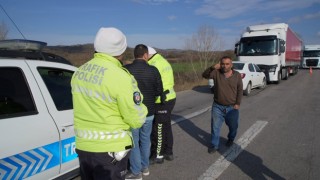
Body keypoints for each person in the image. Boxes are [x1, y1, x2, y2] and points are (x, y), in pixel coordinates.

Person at [71, 27, 148, 180]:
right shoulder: (121, 77)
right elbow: (136, 119)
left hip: (84, 147)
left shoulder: (79, 72)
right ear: (122, 50)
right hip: (111, 152)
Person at [124, 44, 163, 180]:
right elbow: (159, 91)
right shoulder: (153, 70)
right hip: (149, 112)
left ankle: (136, 172)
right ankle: (144, 167)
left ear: (135, 55)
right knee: (145, 140)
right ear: (146, 55)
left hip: (132, 113)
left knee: (134, 142)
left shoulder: (126, 69)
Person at [202, 56, 243, 154]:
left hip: (232, 107)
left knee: (233, 127)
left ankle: (231, 139)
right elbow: (205, 75)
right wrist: (212, 67)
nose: (225, 66)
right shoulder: (216, 73)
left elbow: (240, 89)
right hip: (217, 106)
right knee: (215, 127)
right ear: (220, 64)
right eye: (223, 64)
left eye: (227, 64)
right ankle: (214, 145)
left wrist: (238, 103)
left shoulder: (236, 75)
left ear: (231, 65)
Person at [147, 46, 176, 164]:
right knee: (166, 126)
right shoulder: (163, 61)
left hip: (161, 100)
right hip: (170, 98)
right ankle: (169, 152)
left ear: (148, 54)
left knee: (158, 128)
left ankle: (158, 155)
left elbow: (151, 84)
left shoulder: (153, 63)